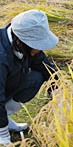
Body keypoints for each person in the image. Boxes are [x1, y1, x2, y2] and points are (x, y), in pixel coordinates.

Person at [0, 9, 59, 146]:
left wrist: (57, 91)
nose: (39, 49)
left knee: (35, 79)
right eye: (36, 45)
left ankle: (5, 118)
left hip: (6, 84)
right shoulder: (2, 56)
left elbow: (45, 67)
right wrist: (2, 134)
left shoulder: (22, 43)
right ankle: (1, 126)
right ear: (20, 41)